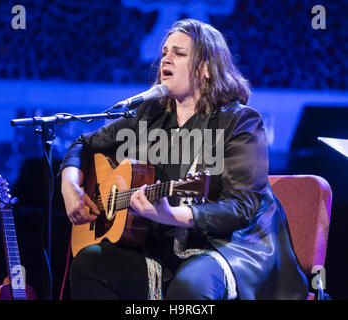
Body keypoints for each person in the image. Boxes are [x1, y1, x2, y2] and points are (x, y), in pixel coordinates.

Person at [60, 19, 308, 300]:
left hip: (227, 249)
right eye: (164, 52)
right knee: (90, 263)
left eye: (179, 53)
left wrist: (171, 215)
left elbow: (242, 207)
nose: (166, 58)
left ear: (205, 69)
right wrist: (70, 187)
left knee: (189, 290)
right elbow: (84, 144)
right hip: (160, 249)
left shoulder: (240, 122)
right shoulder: (151, 115)